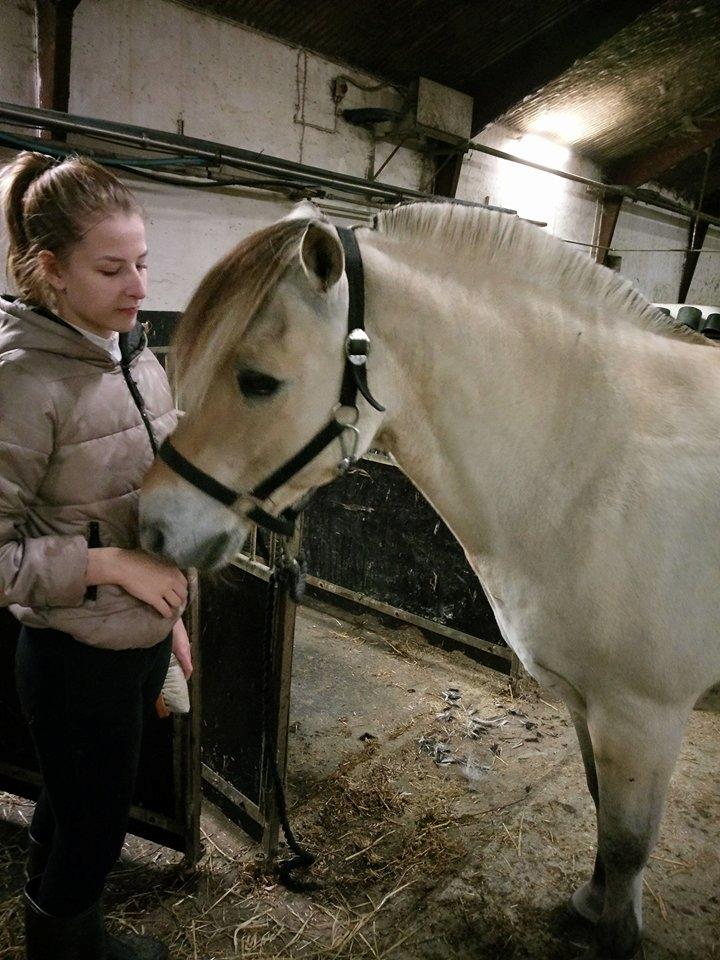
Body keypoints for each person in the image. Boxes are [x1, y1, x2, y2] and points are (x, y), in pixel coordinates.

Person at [0, 151, 192, 960]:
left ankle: (54, 925)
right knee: (96, 822)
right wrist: (114, 569)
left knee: (73, 807)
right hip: (74, 654)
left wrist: (175, 617)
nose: (140, 286)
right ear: (51, 269)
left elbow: (149, 500)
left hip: (138, 639)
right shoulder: (22, 381)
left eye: (142, 263)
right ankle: (69, 947)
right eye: (112, 268)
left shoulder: (133, 352)